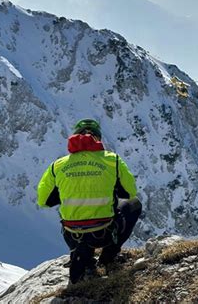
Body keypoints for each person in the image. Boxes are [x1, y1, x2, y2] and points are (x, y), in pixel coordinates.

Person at [37, 119, 142, 284]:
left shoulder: (57, 166)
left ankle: (79, 254)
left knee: (73, 223)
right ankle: (108, 256)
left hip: (72, 234)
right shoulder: (112, 160)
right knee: (133, 205)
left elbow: (43, 201)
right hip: (103, 233)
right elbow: (130, 192)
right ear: (98, 138)